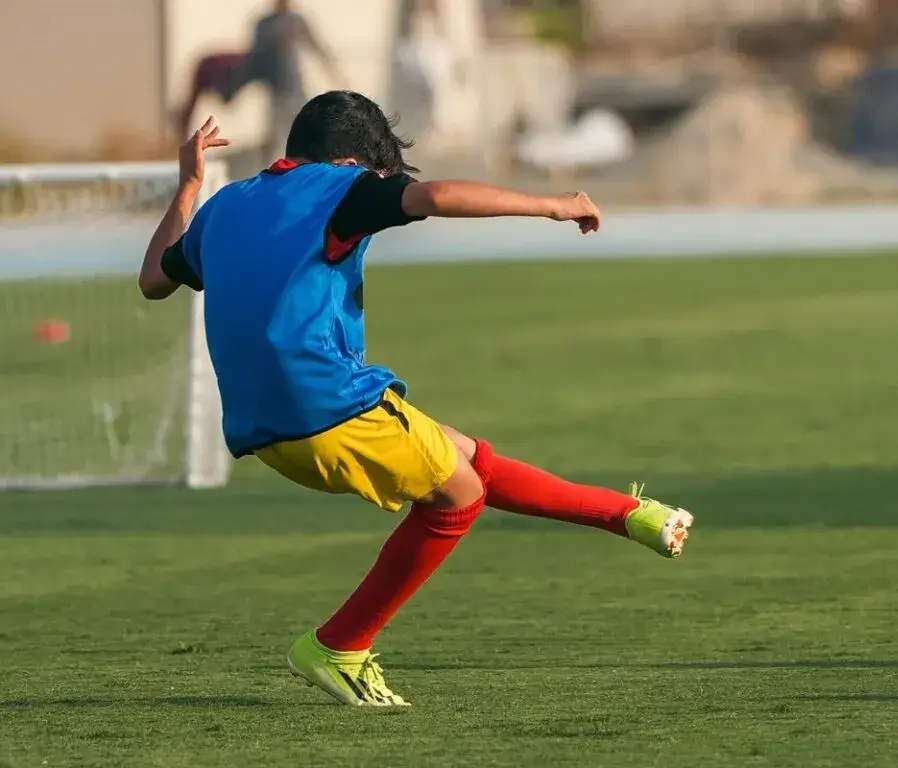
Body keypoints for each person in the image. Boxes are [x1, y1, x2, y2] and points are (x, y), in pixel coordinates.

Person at [136, 92, 695, 707]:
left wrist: (188, 186)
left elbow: (154, 280)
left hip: (261, 427)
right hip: (324, 405)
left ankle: (627, 515)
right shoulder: (340, 187)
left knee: (462, 456)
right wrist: (554, 204)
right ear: (351, 159)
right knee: (460, 496)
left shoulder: (225, 204)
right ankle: (340, 645)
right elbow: (434, 197)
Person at [174, 1, 346, 156]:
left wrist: (337, 75)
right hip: (278, 94)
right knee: (280, 139)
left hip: (295, 91)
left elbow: (318, 48)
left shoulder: (295, 21)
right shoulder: (264, 25)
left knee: (304, 132)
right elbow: (254, 62)